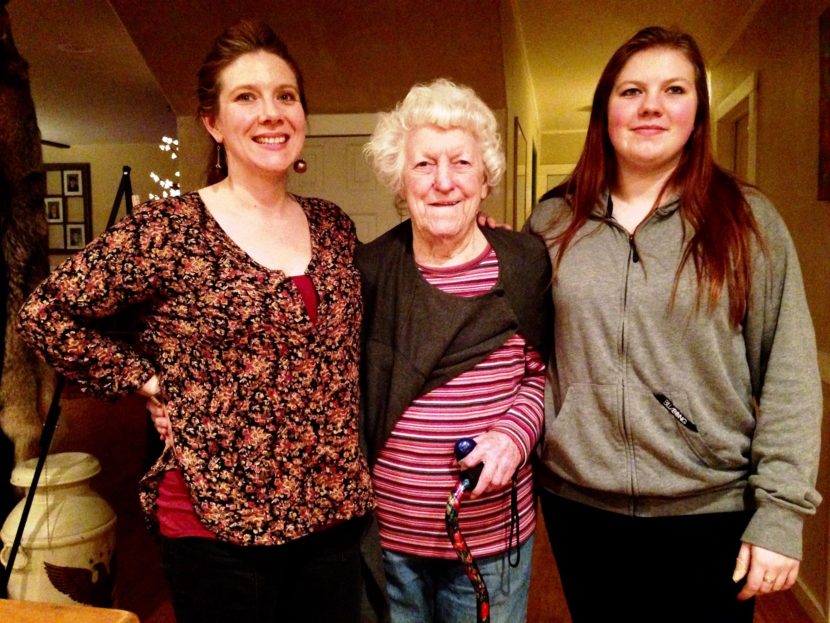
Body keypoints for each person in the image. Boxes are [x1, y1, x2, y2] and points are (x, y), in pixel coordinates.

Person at [17, 19, 374, 623]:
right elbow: (45, 314)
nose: (272, 113)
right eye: (246, 97)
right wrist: (146, 380)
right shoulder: (169, 230)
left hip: (331, 515)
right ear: (212, 122)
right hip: (218, 526)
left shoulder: (333, 225)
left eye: (286, 96)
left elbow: (385, 292)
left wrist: (468, 234)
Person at [525, 26, 822, 623]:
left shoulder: (748, 220)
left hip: (708, 509)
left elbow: (789, 371)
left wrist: (781, 513)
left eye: (674, 89)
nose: (651, 106)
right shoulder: (553, 221)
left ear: (697, 112)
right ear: (605, 110)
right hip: (580, 508)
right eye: (632, 90)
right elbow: (525, 354)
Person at [358, 78, 552, 623]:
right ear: (400, 180)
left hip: (491, 540)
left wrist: (513, 437)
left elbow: (542, 375)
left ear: (485, 178)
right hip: (390, 542)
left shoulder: (525, 263)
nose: (443, 182)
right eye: (424, 165)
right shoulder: (370, 270)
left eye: (461, 163)